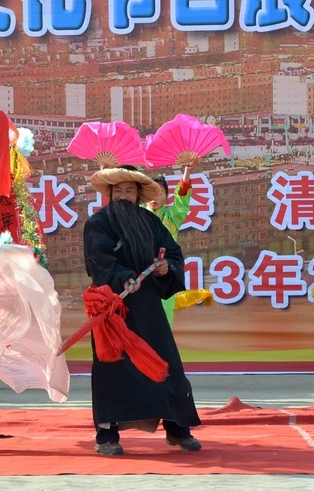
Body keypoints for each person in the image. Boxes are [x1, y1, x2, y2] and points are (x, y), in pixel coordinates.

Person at [83, 164, 201, 456]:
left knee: (167, 366)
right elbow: (98, 259)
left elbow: (173, 254)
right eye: (118, 191)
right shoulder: (98, 223)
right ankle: (107, 436)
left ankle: (177, 429)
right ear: (110, 194)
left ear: (138, 195)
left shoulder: (152, 222)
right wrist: (123, 276)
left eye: (129, 191)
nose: (123, 196)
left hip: (147, 304)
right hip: (113, 306)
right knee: (113, 370)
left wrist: (165, 268)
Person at [145, 164, 193, 325]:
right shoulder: (137, 216)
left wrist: (187, 171)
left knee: (163, 323)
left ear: (166, 196)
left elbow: (182, 200)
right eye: (150, 193)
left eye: (159, 193)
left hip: (164, 275)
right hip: (141, 276)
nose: (154, 198)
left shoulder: (172, 217)